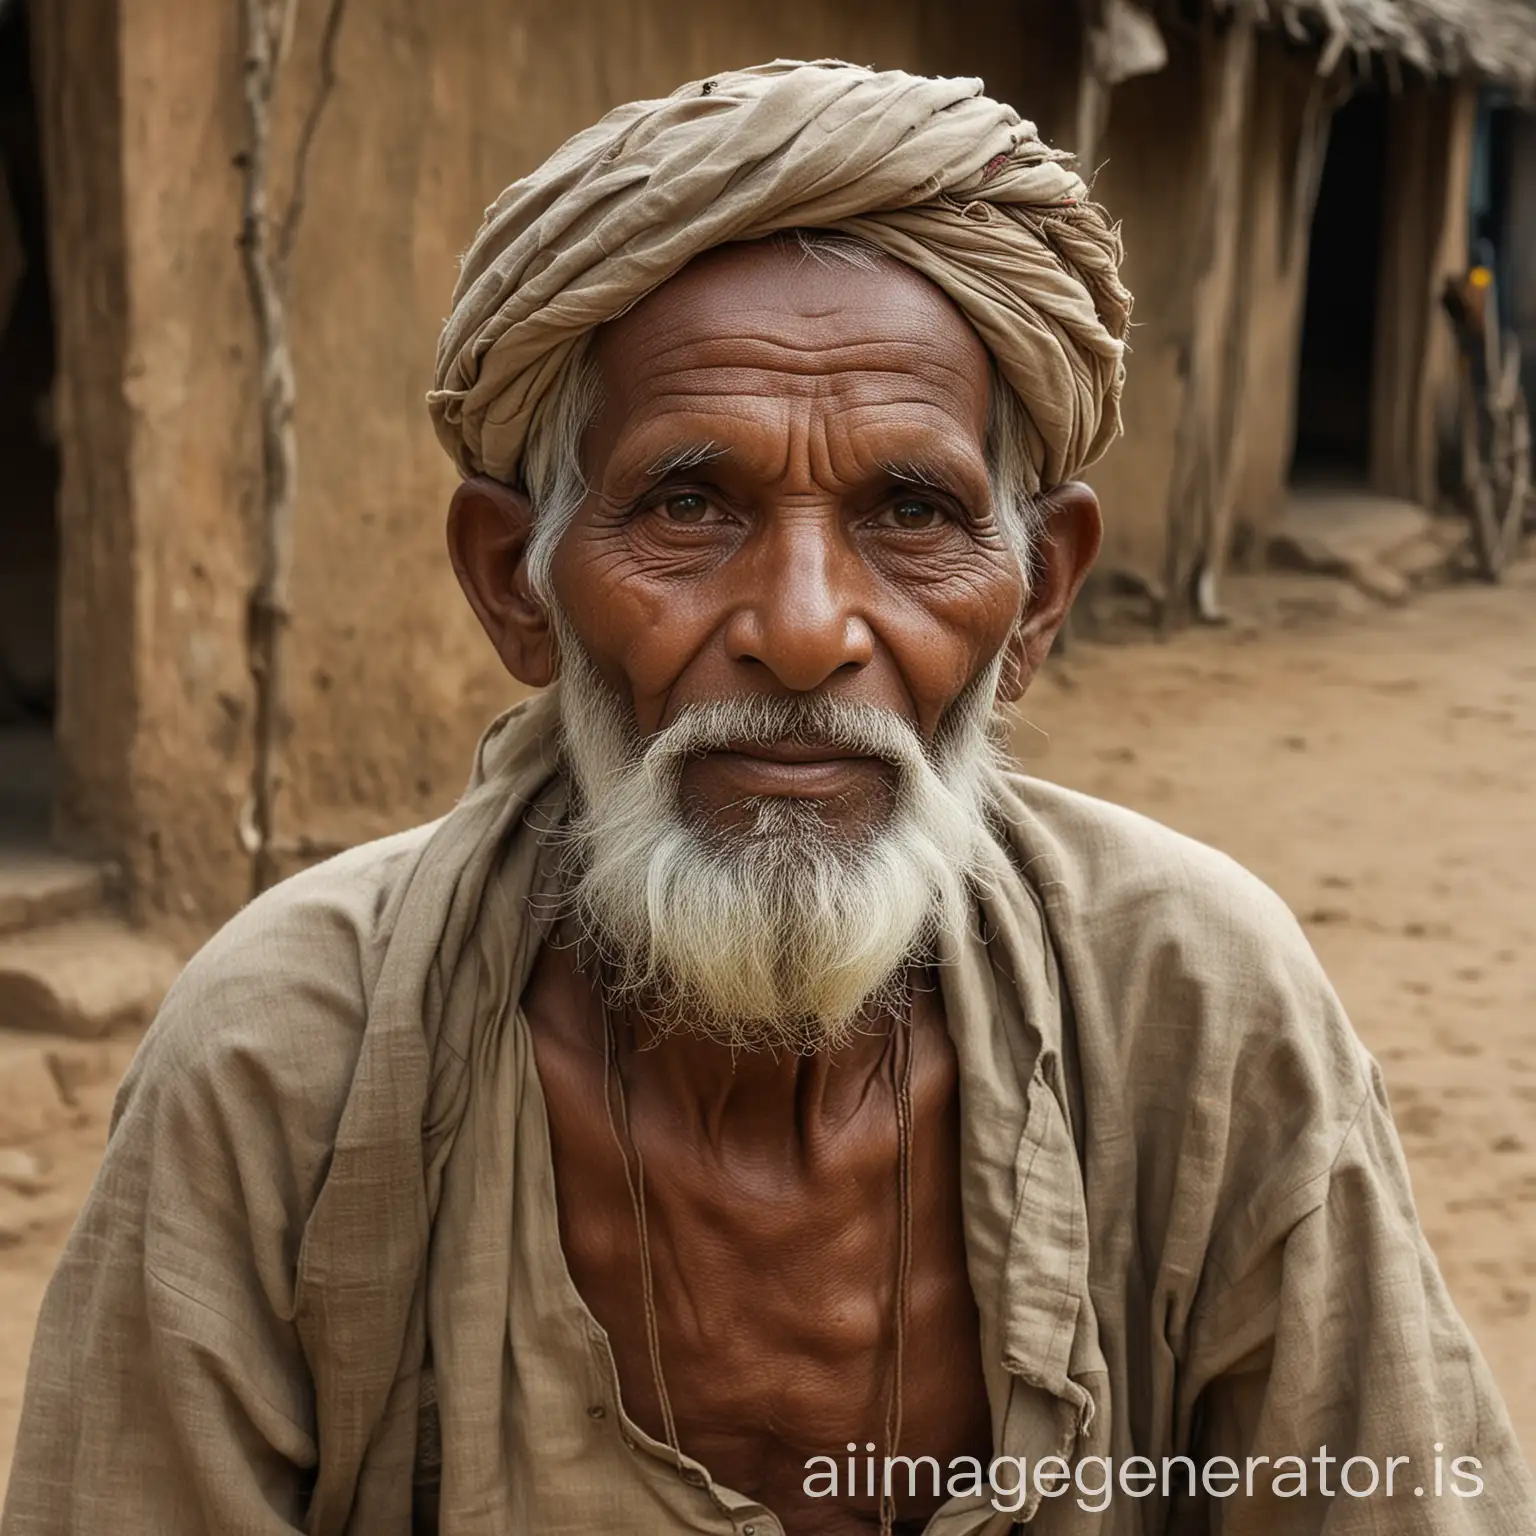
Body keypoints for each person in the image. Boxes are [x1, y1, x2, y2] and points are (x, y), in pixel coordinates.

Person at [4, 59, 1531, 1536]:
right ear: (513, 585)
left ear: (1038, 598)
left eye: (911, 510)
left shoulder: (1199, 1010)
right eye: (687, 502)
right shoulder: (282, 1070)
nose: (803, 629)